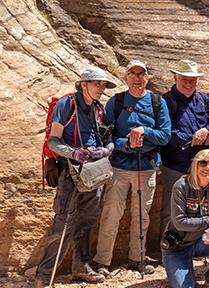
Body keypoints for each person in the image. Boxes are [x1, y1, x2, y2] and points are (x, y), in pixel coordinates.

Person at [35, 68, 117, 288]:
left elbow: (106, 137)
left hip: (92, 173)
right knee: (63, 222)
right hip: (70, 172)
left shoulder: (97, 109)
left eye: (103, 85)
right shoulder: (67, 104)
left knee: (87, 220)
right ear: (83, 84)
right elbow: (53, 141)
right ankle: (45, 276)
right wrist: (74, 153)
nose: (101, 89)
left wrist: (105, 149)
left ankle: (81, 267)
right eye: (98, 84)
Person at [93, 60, 171, 275]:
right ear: (126, 77)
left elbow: (165, 135)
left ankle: (137, 258)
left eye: (141, 74)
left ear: (147, 78)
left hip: (146, 167)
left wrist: (144, 131)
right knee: (111, 213)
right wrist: (125, 143)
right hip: (118, 166)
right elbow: (104, 134)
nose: (137, 78)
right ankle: (102, 261)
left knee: (142, 215)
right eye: (133, 73)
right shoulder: (116, 101)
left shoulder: (157, 102)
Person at [160, 60, 209, 236]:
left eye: (192, 80)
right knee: (171, 209)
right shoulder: (166, 101)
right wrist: (192, 139)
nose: (188, 83)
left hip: (202, 166)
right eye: (184, 79)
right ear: (175, 78)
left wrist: (206, 130)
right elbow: (167, 132)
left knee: (201, 207)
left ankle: (194, 245)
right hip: (175, 164)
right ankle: (168, 247)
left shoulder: (203, 99)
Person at [161, 149, 209, 288]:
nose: (207, 167)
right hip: (178, 246)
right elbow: (180, 223)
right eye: (203, 163)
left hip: (201, 243)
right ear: (195, 165)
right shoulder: (181, 186)